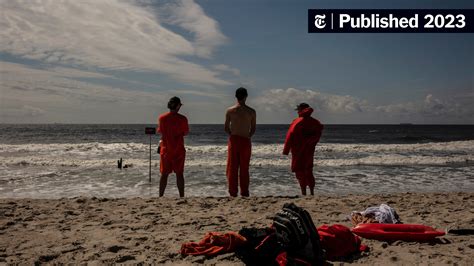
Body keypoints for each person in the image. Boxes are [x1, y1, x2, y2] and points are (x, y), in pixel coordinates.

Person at [283, 103, 323, 196]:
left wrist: (286, 150)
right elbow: (317, 135)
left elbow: (290, 136)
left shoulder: (297, 121)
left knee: (299, 171)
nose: (297, 112)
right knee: (309, 170)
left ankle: (304, 192)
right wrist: (311, 142)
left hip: (298, 151)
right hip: (309, 150)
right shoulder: (315, 122)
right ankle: (312, 192)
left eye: (298, 110)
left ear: (301, 110)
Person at [224, 87, 256, 197]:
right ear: (246, 96)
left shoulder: (230, 110)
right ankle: (244, 192)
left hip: (234, 139)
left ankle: (233, 192)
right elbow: (253, 129)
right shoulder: (251, 111)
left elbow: (226, 128)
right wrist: (247, 136)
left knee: (232, 167)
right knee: (244, 168)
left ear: (236, 96)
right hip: (245, 140)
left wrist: (232, 135)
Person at [157, 96, 189, 197]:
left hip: (166, 149)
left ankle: (161, 196)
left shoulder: (162, 118)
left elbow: (161, 132)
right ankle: (181, 196)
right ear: (178, 106)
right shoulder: (183, 119)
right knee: (179, 174)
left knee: (164, 174)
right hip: (178, 149)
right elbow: (185, 132)